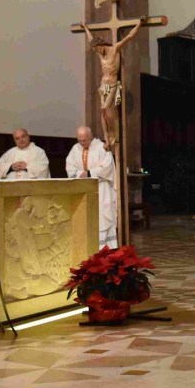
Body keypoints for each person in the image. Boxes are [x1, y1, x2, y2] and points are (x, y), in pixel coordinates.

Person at [80, 18, 147, 152]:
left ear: (101, 44)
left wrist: (139, 23)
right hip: (103, 84)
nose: (97, 51)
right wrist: (86, 29)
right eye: (95, 49)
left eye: (97, 48)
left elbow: (130, 36)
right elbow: (90, 39)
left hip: (112, 84)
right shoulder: (100, 54)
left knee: (105, 108)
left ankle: (112, 135)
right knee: (102, 112)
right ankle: (107, 136)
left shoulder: (115, 48)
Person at [66, 125, 118, 248]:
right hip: (83, 190)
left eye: (84, 140)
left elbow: (108, 167)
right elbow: (70, 167)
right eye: (79, 140)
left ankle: (105, 251)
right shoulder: (75, 149)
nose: (82, 143)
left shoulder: (102, 147)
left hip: (101, 188)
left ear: (91, 136)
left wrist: (89, 173)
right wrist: (80, 174)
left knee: (103, 218)